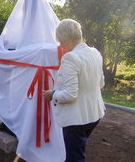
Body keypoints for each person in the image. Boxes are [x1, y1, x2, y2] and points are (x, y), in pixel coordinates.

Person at [43, 19, 106, 162]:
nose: (60, 45)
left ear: (65, 40)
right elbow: (101, 83)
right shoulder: (95, 52)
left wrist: (52, 94)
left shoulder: (71, 57)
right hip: (94, 114)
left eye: (60, 41)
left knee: (74, 158)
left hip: (76, 119)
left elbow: (70, 94)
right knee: (76, 150)